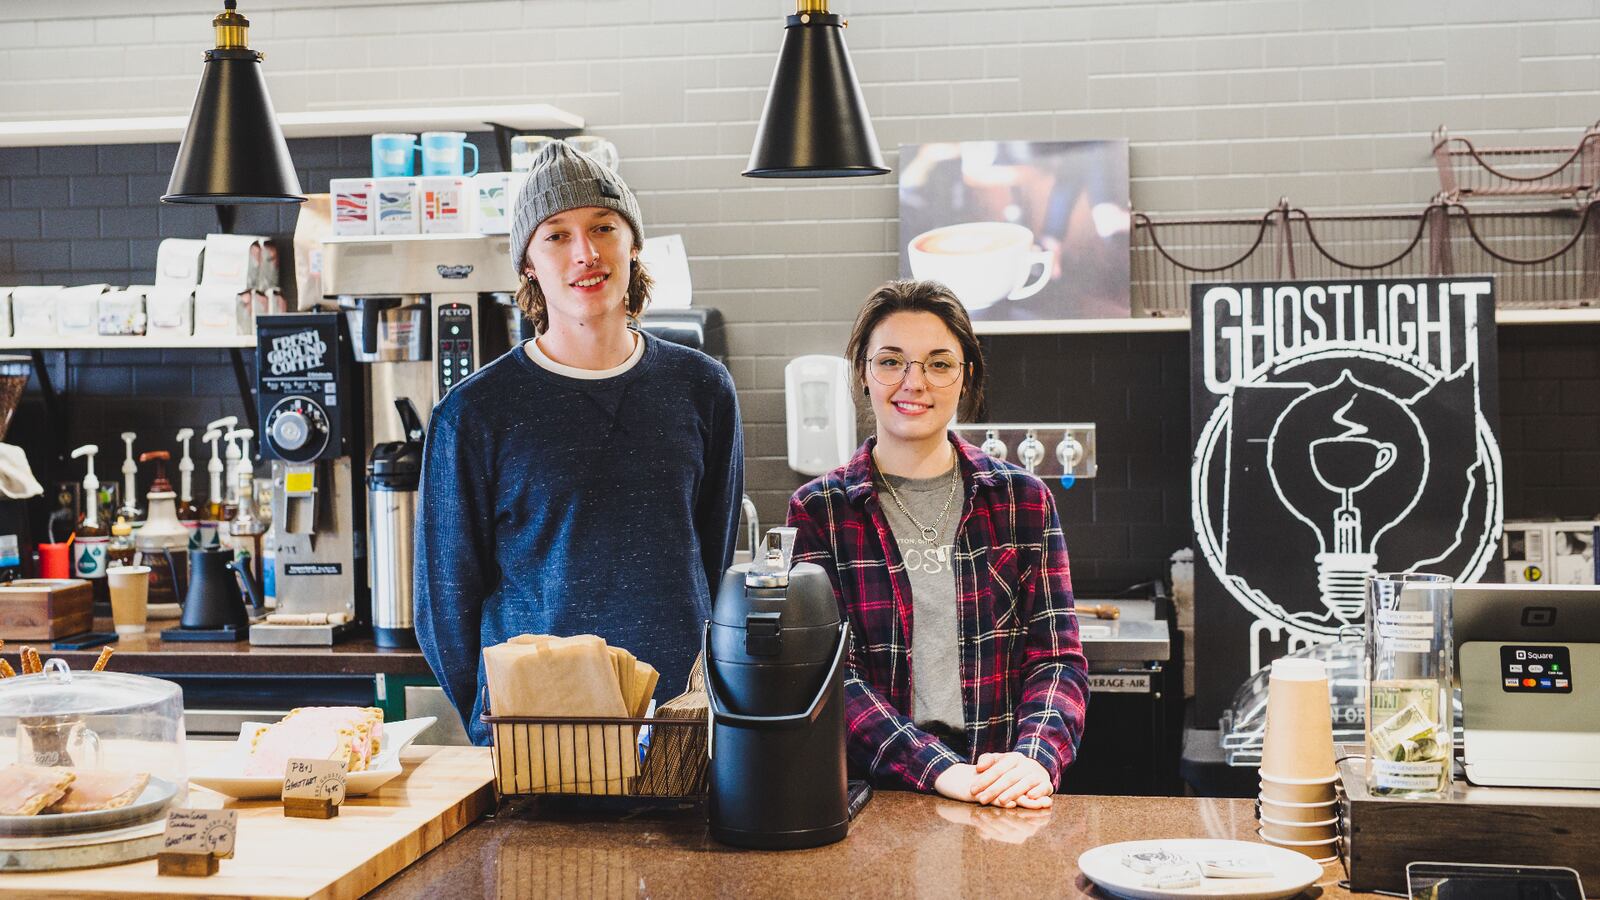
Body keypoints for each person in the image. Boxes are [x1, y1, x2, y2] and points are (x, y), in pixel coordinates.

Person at [415, 142, 744, 744]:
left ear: (633, 243)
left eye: (602, 227)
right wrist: (497, 721)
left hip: (681, 723)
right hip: (539, 730)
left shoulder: (701, 388)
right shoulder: (473, 413)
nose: (585, 253)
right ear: (529, 266)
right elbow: (444, 606)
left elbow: (711, 557)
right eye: (557, 236)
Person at [787, 279, 1088, 808]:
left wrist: (1034, 757)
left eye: (938, 363)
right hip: (872, 797)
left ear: (964, 375)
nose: (914, 382)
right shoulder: (820, 511)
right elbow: (828, 675)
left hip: (1000, 786)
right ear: (862, 372)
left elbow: (1057, 658)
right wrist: (940, 770)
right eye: (891, 361)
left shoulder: (1023, 500)